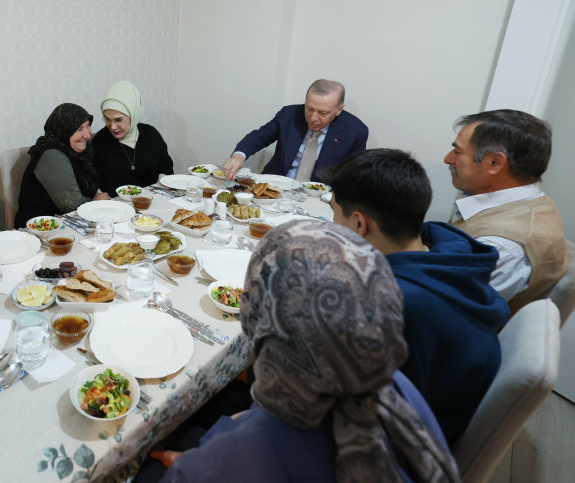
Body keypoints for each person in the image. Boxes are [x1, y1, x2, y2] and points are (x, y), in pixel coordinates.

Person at [153, 220, 459, 482]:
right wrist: (246, 419)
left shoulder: (247, 455)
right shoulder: (395, 384)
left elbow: (217, 463)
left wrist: (187, 460)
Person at [325, 148, 510, 443]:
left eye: (334, 212)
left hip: (395, 450)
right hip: (438, 411)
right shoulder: (452, 258)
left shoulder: (391, 306)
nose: (332, 223)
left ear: (360, 224)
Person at [444, 109, 568, 314]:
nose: (448, 159)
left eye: (458, 152)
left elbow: (445, 313)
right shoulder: (527, 202)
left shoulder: (500, 246)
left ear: (495, 163)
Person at [220, 79, 368, 181]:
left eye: (323, 113)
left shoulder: (355, 131)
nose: (313, 118)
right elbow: (260, 136)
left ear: (339, 110)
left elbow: (353, 176)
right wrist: (239, 156)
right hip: (275, 186)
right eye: (309, 108)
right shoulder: (289, 114)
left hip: (318, 197)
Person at [16, 103, 110, 225]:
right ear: (64, 129)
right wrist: (95, 202)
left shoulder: (76, 150)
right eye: (79, 129)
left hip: (69, 220)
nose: (87, 135)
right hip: (41, 227)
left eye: (88, 126)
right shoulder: (51, 155)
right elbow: (71, 205)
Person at [90, 80, 174, 195]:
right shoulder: (99, 141)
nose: (113, 127)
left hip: (151, 200)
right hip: (117, 206)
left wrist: (160, 190)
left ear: (133, 114)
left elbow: (166, 167)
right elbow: (90, 178)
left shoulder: (151, 134)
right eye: (107, 119)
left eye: (118, 120)